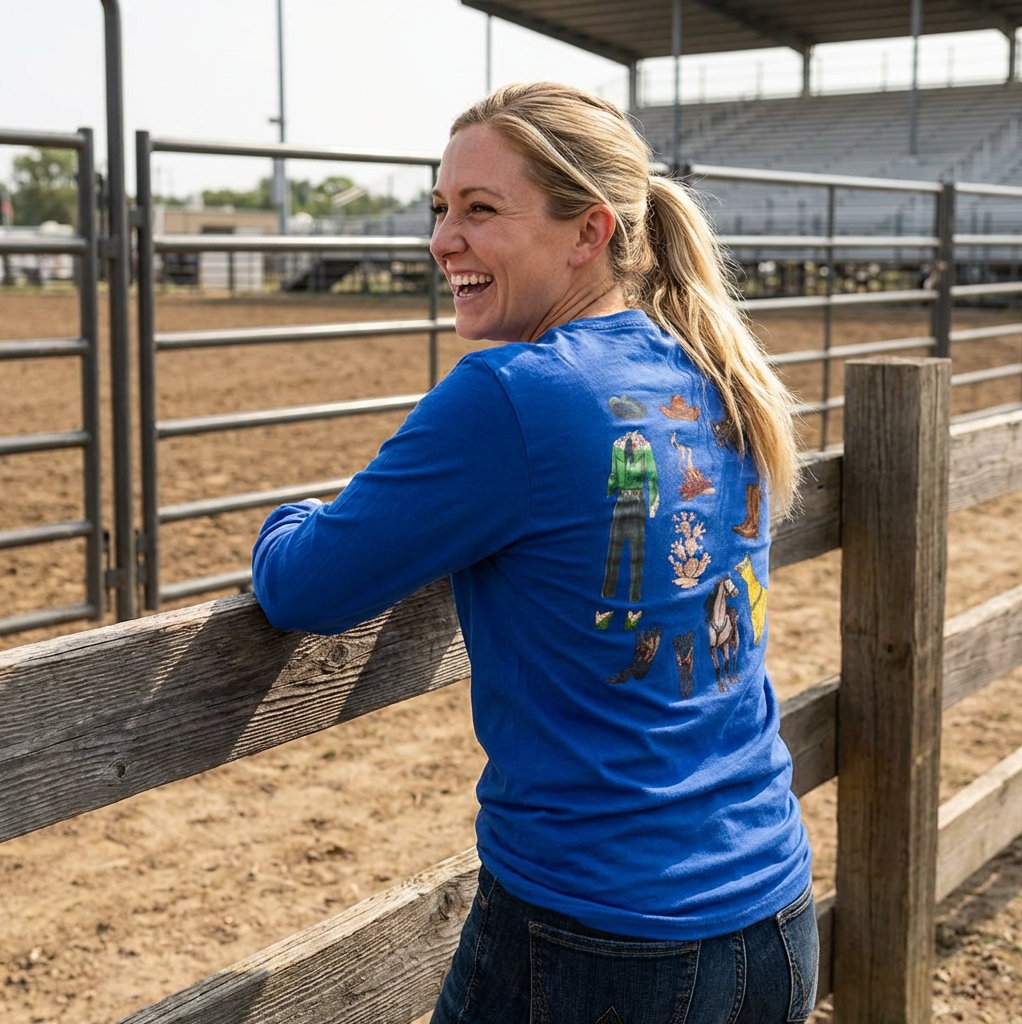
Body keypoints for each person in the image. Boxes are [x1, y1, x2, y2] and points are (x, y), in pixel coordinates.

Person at [252, 82, 817, 1023]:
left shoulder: (511, 394)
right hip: (771, 910)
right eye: (440, 209)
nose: (443, 240)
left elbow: (304, 586)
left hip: (601, 936)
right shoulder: (712, 369)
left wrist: (287, 514)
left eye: (480, 210)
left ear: (588, 232)